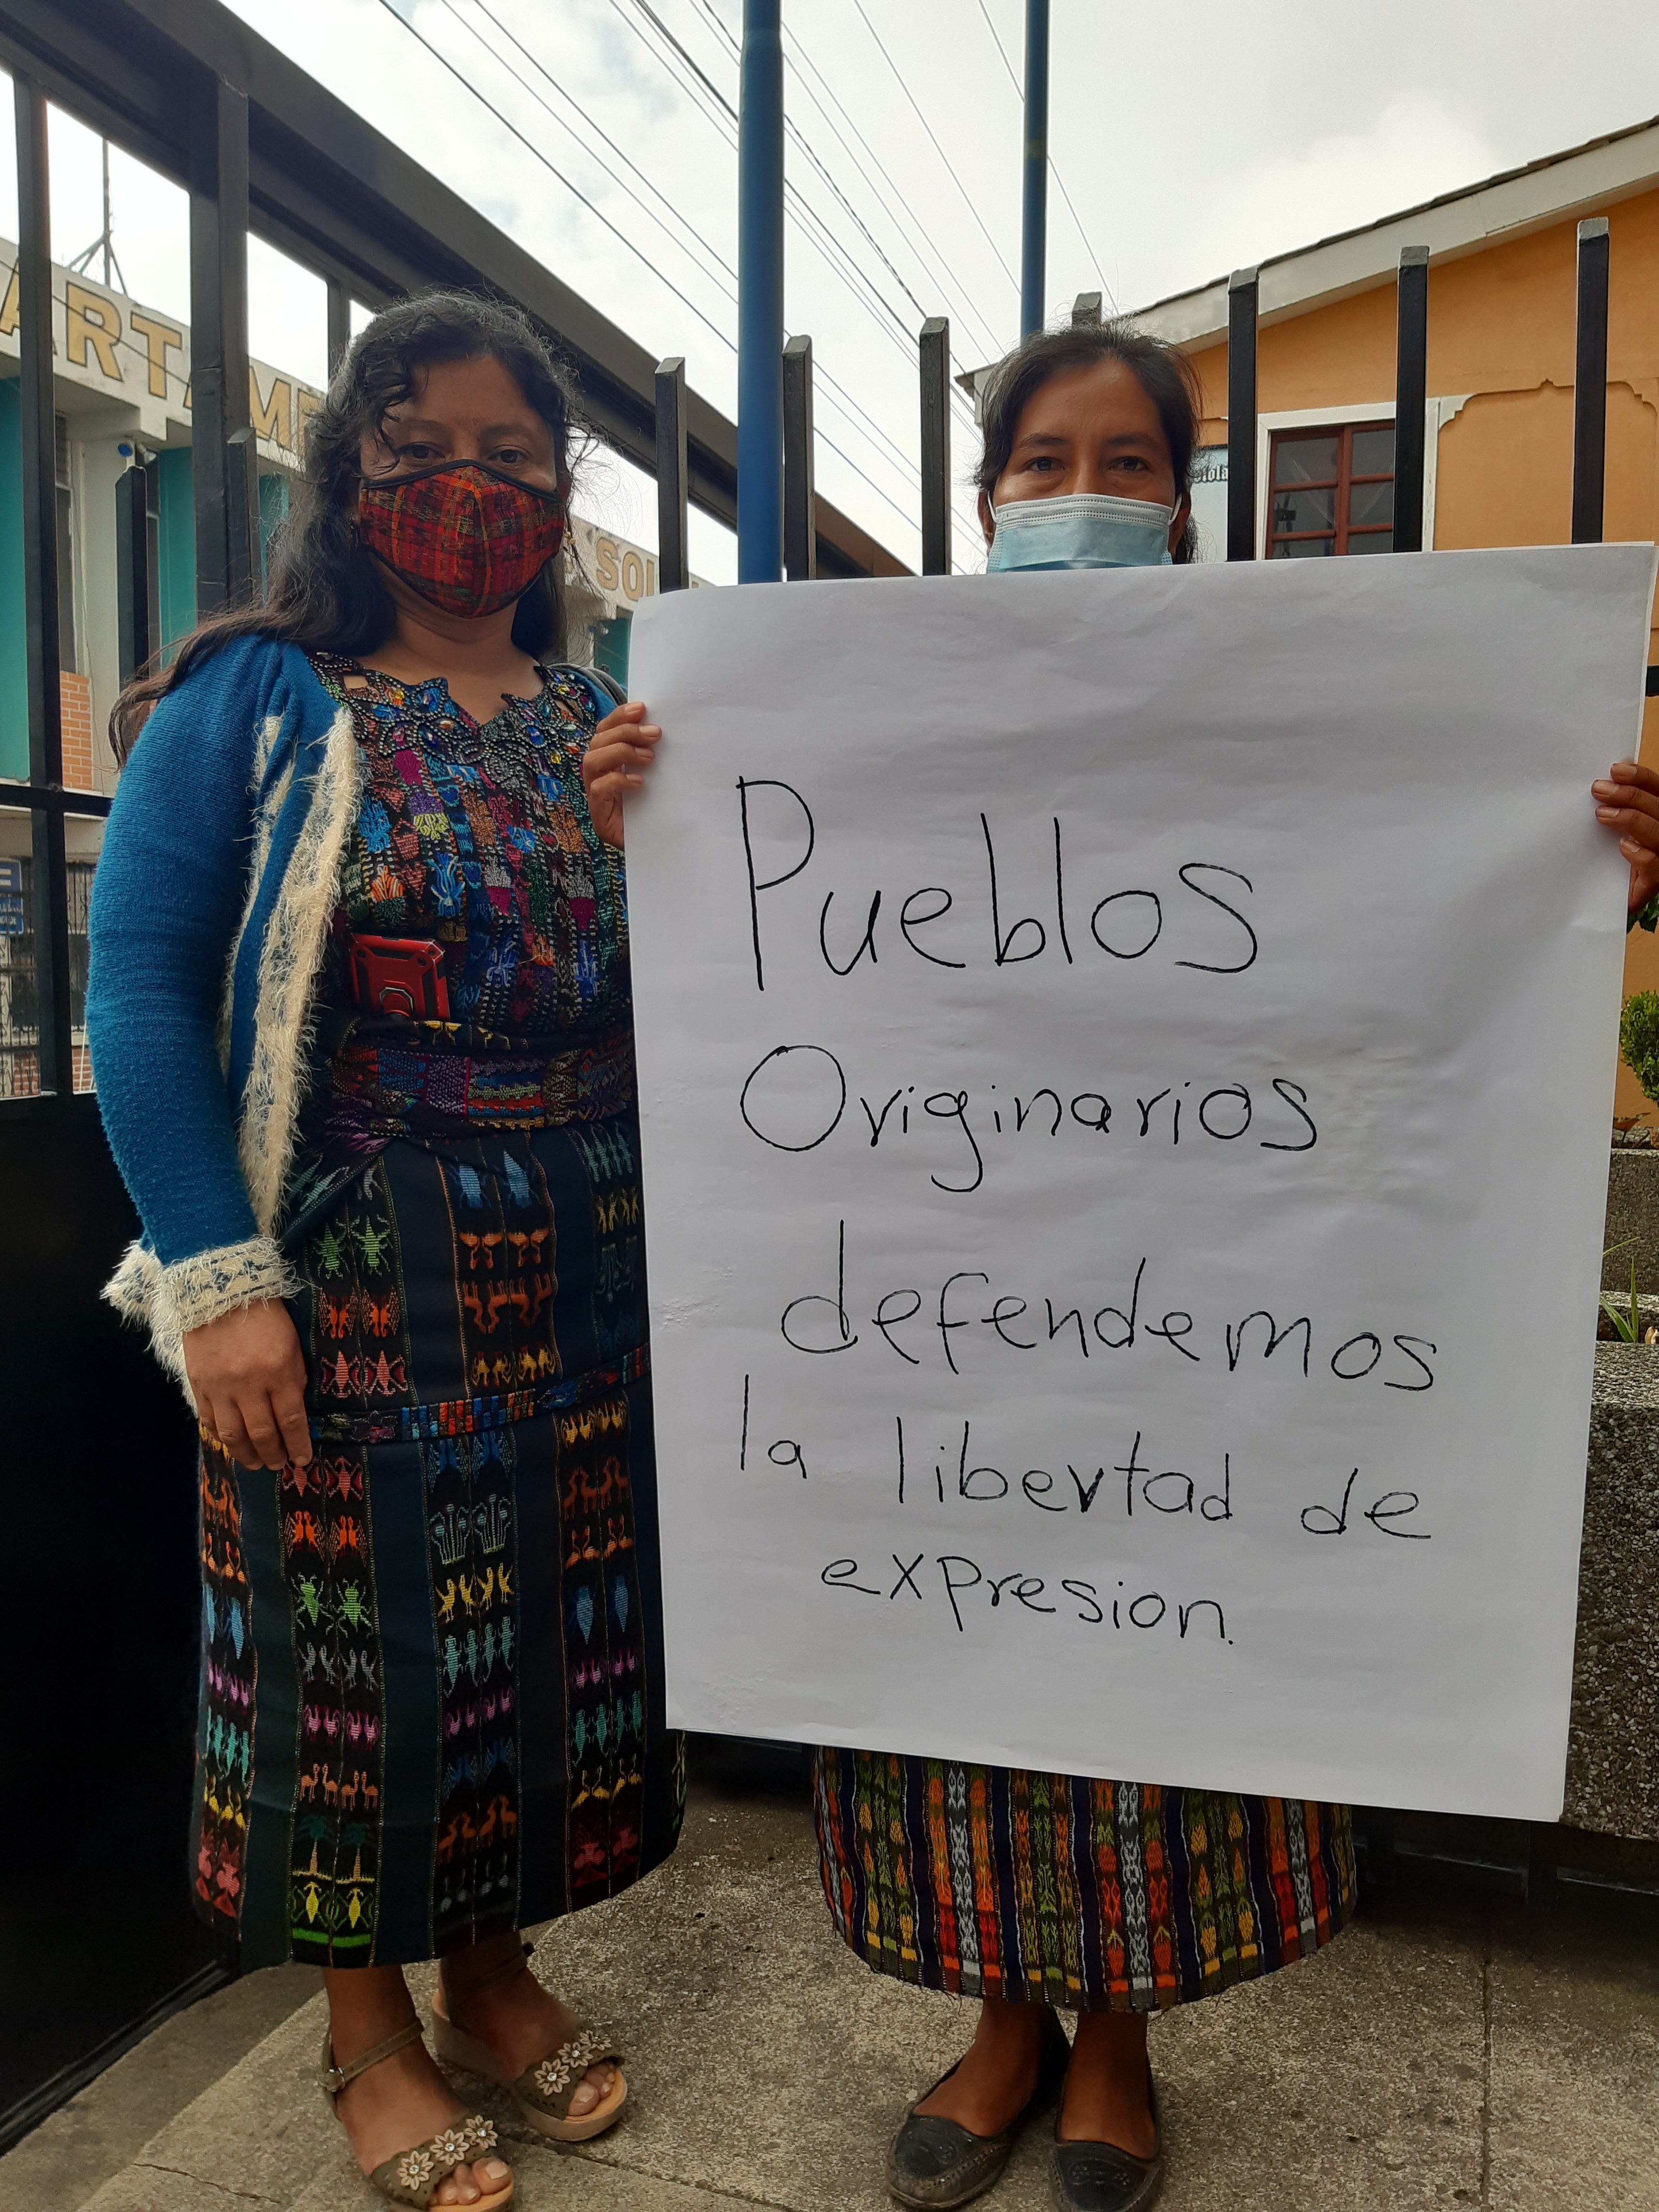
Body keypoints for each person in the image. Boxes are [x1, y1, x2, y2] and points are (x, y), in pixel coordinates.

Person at [613, 317, 1659, 2212]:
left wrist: (1582, 867)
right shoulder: (859, 716)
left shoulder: (1298, 710)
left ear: (1185, 506)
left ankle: (1117, 2049)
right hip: (938, 1326)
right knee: (958, 1673)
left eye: (1128, 465)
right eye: (1044, 463)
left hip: (1196, 1333)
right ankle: (1001, 2026)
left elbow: (1405, 932)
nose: (1082, 495)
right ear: (986, 498)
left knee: (1154, 1694)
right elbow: (747, 946)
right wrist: (654, 822)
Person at [87, 292, 675, 2210]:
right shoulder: (255, 699)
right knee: (361, 1662)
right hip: (350, 1271)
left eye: (513, 459)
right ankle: (365, 2027)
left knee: (529, 1650)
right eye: (421, 452)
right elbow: (142, 997)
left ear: (561, 495)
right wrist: (219, 1283)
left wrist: (654, 851)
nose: (469, 491)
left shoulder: (606, 722)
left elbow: (719, 972)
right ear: (349, 476)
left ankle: (493, 1972)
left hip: (584, 1264)